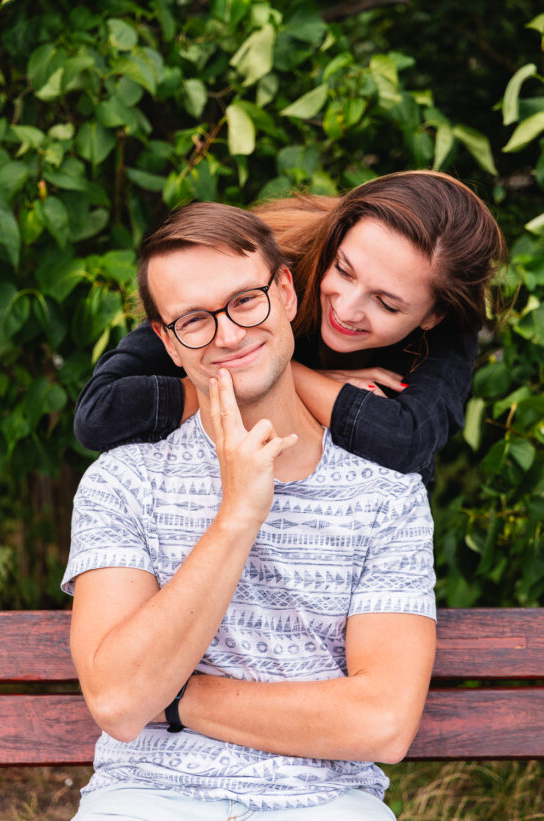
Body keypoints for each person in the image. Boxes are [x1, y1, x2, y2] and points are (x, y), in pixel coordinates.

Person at [63, 202, 436, 820]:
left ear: (285, 292)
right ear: (167, 342)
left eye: (244, 301)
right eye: (194, 320)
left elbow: (384, 723)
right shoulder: (123, 481)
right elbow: (121, 703)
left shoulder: (387, 495)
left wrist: (178, 700)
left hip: (327, 804)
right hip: (145, 798)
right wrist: (237, 514)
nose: (230, 335)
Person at [73, 170, 506, 486]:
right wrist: (275, 374)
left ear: (433, 315)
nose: (346, 309)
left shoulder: (449, 323)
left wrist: (278, 376)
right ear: (336, 238)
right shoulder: (258, 272)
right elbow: (99, 414)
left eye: (386, 303)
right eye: (344, 270)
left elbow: (407, 441)